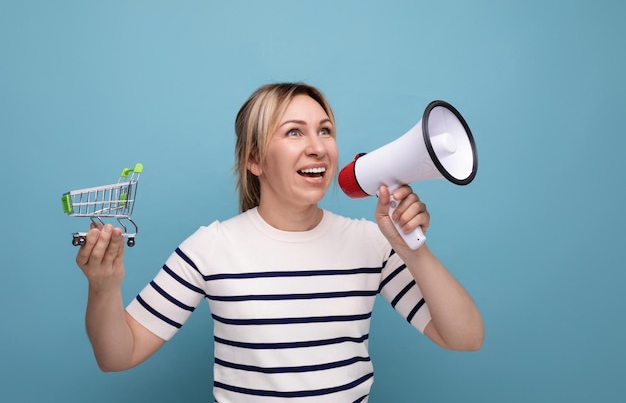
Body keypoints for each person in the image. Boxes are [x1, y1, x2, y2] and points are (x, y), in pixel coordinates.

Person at [76, 82, 484, 402]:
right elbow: (117, 355)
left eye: (325, 131)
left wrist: (413, 249)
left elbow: (465, 338)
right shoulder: (210, 248)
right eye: (294, 132)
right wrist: (103, 288)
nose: (318, 147)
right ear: (254, 160)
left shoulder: (371, 244)